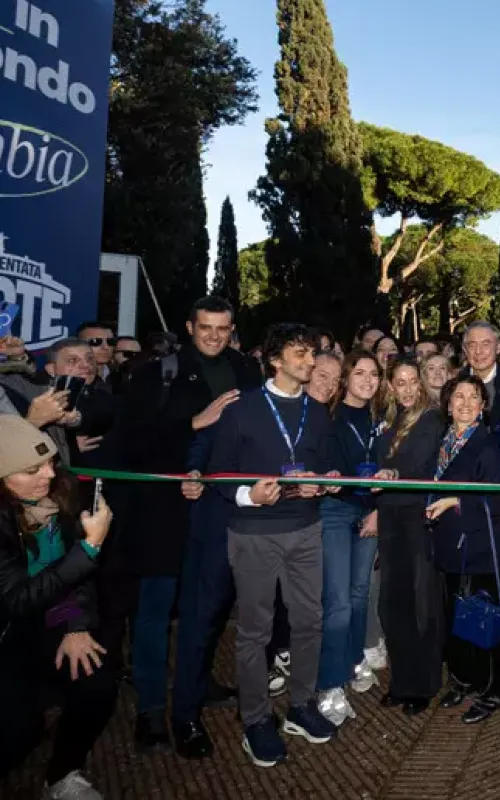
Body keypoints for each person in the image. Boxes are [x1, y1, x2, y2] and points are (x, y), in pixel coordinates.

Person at [119, 296, 262, 758]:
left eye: (223, 328)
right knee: (155, 615)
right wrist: (194, 423)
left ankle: (190, 704)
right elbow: (130, 445)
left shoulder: (246, 371)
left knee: (206, 612)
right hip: (161, 514)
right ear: (188, 326)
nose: (215, 336)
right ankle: (149, 712)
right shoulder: (155, 374)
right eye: (205, 328)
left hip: (217, 514)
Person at [207, 323, 339, 767]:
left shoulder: (318, 412)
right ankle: (256, 719)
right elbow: (219, 472)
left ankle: (301, 706)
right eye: (300, 353)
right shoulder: (242, 409)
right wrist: (248, 494)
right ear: (275, 359)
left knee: (309, 623)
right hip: (253, 535)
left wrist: (324, 482)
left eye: (312, 352)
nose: (310, 361)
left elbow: (323, 465)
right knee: (255, 632)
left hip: (306, 529)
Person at [0, 416, 117, 799]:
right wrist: (89, 549)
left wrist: (75, 625)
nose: (48, 475)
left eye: (50, 462)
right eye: (32, 470)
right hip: (8, 632)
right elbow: (16, 601)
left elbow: (74, 579)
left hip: (49, 616)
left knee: (97, 683)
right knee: (19, 728)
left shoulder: (62, 493)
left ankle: (63, 774)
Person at [426, 375, 500, 724]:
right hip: (448, 546)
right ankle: (462, 680)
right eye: (457, 396)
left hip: (478, 549)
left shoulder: (487, 446)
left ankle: (491, 691)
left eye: (472, 397)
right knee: (455, 620)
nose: (464, 403)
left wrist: (453, 501)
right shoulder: (442, 443)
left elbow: (496, 502)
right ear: (447, 404)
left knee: (480, 623)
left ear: (482, 406)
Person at [315, 351, 389, 726]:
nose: (367, 379)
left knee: (360, 593)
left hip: (369, 510)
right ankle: (329, 683)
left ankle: (353, 659)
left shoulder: (381, 418)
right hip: (335, 509)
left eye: (373, 373)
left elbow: (389, 467)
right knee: (339, 600)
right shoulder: (326, 414)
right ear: (345, 378)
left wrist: (378, 509)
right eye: (359, 372)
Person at [375, 359, 445, 714]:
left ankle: (424, 683)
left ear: (420, 384)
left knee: (421, 605)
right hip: (390, 518)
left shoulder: (430, 418)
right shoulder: (387, 421)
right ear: (390, 385)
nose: (405, 389)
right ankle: (402, 681)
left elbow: (415, 462)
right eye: (399, 382)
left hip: (417, 517)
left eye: (411, 382)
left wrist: (390, 470)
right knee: (392, 603)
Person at [461, 321, 500, 427]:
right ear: (465, 350)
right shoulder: (453, 385)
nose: (478, 351)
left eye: (485, 344)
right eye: (472, 345)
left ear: (498, 348)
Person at [77, 322, 117, 386]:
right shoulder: (71, 378)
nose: (106, 347)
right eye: (95, 341)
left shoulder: (121, 376)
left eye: (110, 342)